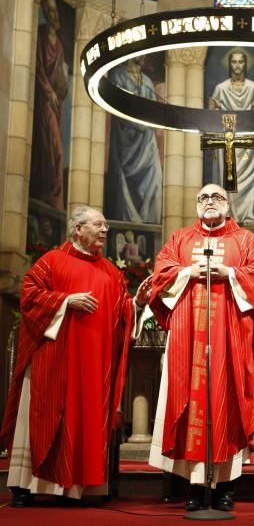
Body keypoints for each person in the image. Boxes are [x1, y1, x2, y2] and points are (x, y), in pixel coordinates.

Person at [0, 206, 151, 506]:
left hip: (92, 367)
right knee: (45, 415)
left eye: (106, 224)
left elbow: (122, 316)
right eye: (98, 224)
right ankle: (27, 485)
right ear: (78, 229)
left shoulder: (112, 273)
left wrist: (137, 303)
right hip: (54, 360)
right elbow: (29, 294)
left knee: (85, 419)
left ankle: (79, 487)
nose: (105, 230)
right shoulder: (52, 262)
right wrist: (66, 300)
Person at [148, 183, 254, 512]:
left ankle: (227, 488)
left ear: (228, 205)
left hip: (230, 339)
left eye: (217, 197)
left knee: (228, 402)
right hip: (188, 339)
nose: (209, 202)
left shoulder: (247, 241)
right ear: (196, 205)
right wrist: (189, 271)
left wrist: (230, 273)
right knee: (192, 404)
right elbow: (161, 275)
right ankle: (195, 486)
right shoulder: (179, 240)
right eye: (203, 197)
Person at [209, 49, 254, 225]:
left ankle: (249, 215)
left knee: (249, 179)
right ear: (229, 64)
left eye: (241, 62)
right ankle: (228, 214)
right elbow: (211, 117)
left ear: (245, 64)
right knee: (228, 178)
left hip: (248, 142)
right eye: (234, 62)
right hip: (227, 140)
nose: (238, 65)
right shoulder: (221, 89)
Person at [106, 57, 162, 223]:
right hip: (125, 139)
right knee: (122, 181)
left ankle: (150, 221)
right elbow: (118, 107)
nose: (143, 56)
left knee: (156, 174)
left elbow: (153, 111)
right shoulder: (117, 76)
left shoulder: (147, 82)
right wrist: (140, 124)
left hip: (147, 143)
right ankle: (127, 219)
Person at [30, 0, 69, 210]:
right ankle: (47, 197)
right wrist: (49, 92)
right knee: (51, 148)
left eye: (56, 11)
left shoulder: (60, 45)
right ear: (45, 13)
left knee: (57, 152)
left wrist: (60, 90)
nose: (54, 15)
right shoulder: (41, 35)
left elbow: (59, 78)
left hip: (55, 105)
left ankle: (54, 201)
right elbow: (37, 70)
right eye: (50, 11)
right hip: (44, 102)